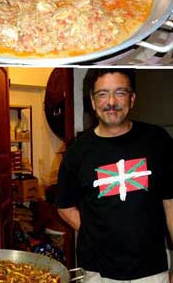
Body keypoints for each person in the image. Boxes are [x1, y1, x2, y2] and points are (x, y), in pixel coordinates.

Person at [56, 69, 173, 283]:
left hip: (152, 270)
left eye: (120, 92)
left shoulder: (158, 140)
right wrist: (97, 233)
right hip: (98, 272)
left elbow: (171, 203)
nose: (111, 101)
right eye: (102, 94)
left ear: (132, 98)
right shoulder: (77, 151)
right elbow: (65, 206)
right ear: (92, 101)